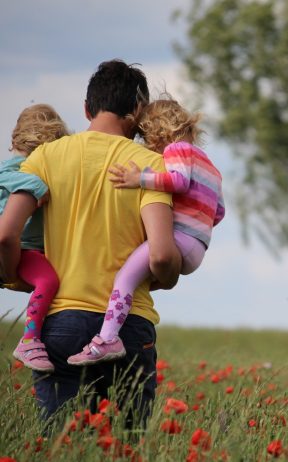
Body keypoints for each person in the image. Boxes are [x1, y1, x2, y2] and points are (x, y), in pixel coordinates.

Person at [0, 59, 181, 426]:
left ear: (86, 109)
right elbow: (161, 254)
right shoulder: (150, 166)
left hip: (61, 324)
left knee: (62, 444)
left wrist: (12, 276)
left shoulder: (44, 158)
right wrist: (168, 276)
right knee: (124, 448)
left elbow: (6, 234)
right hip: (128, 326)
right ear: (137, 111)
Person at [68, 95, 225, 366]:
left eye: (145, 136)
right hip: (198, 246)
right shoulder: (211, 166)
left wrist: (138, 179)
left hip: (178, 239)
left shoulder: (177, 150)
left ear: (158, 131)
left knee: (124, 278)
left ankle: (107, 339)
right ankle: (115, 324)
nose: (146, 144)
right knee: (137, 279)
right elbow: (219, 212)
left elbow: (177, 181)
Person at [0, 104, 68, 372]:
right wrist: (39, 186)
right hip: (22, 248)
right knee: (48, 280)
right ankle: (29, 339)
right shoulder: (20, 168)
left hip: (25, 249)